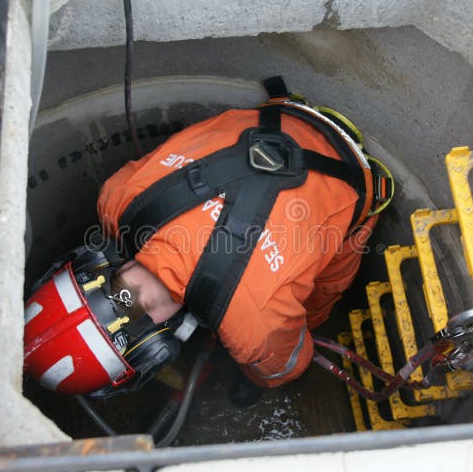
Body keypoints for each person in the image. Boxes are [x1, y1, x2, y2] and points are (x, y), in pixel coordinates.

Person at [23, 77, 391, 404]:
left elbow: (287, 367)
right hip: (280, 117)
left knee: (318, 296)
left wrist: (254, 366)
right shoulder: (117, 198)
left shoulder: (254, 330)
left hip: (354, 174)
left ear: (155, 352)